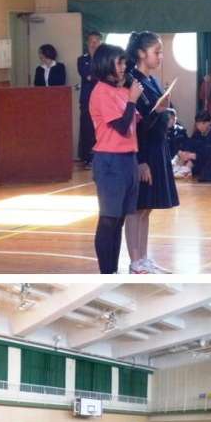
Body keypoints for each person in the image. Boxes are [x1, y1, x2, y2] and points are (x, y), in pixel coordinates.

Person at [125, 31, 179, 274]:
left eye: (161, 52)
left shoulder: (153, 81)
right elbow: (134, 125)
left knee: (146, 208)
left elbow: (156, 116)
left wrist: (167, 113)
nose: (160, 56)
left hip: (157, 148)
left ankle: (144, 258)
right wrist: (140, 161)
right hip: (142, 151)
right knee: (136, 208)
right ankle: (135, 261)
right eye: (156, 52)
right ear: (140, 53)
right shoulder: (132, 82)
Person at [89, 43, 144, 274]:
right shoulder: (102, 91)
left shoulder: (122, 91)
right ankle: (106, 272)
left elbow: (136, 122)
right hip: (110, 160)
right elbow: (121, 127)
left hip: (128, 158)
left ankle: (112, 270)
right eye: (118, 62)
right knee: (109, 219)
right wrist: (132, 100)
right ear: (106, 64)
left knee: (119, 219)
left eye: (123, 62)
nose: (123, 67)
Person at [77, 31, 103, 168]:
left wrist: (95, 77)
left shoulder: (104, 59)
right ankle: (87, 157)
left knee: (100, 128)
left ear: (100, 43)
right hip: (86, 99)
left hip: (102, 99)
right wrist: (95, 77)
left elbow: (103, 76)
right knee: (87, 127)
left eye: (96, 41)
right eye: (91, 41)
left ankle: (98, 157)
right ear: (87, 43)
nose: (93, 44)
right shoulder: (82, 59)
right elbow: (87, 76)